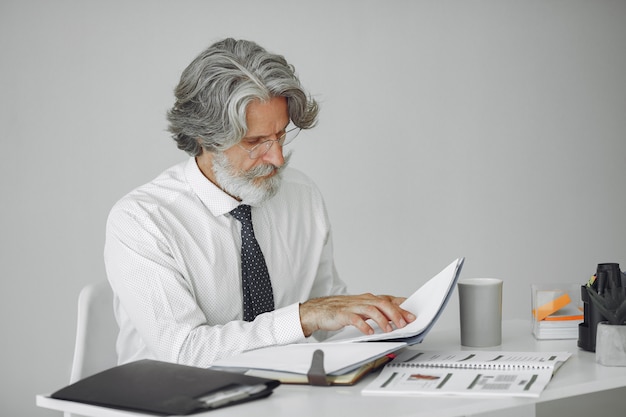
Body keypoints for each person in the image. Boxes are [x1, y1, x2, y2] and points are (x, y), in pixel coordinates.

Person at [104, 38, 415, 368]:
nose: (277, 158)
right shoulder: (143, 221)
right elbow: (186, 352)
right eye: (255, 142)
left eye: (280, 135)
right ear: (204, 137)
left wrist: (380, 329)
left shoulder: (301, 195)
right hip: (172, 402)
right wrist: (303, 317)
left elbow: (326, 318)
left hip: (283, 397)